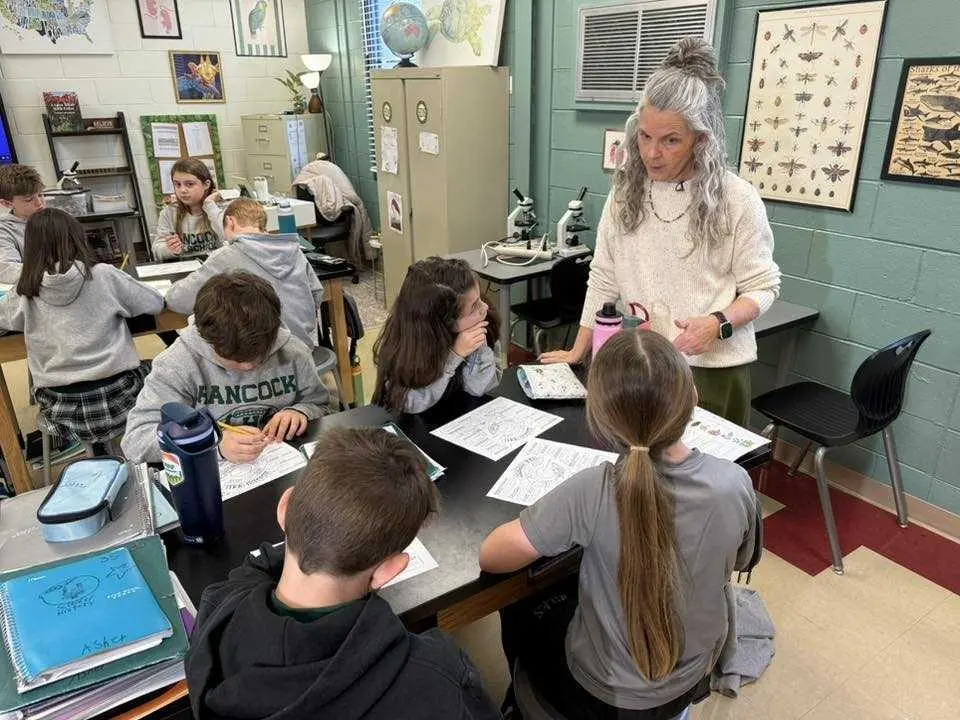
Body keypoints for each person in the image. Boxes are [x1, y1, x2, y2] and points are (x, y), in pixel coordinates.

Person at [481, 330, 759, 719]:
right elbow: (741, 560)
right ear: (692, 398)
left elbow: (493, 556)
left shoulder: (594, 489)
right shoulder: (734, 483)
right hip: (693, 677)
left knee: (519, 603)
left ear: (601, 420)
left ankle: (520, 706)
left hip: (602, 697)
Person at [541, 37, 781, 426]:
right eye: (645, 136)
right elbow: (603, 276)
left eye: (671, 140)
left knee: (700, 482)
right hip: (639, 361)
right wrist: (578, 349)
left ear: (701, 141)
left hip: (709, 369)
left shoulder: (737, 199)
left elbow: (763, 287)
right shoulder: (626, 191)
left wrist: (718, 323)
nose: (652, 153)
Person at [185, 426, 502, 720]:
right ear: (389, 570)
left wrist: (314, 532)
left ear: (284, 509)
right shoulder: (437, 676)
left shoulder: (218, 608)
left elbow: (258, 566)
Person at [121, 271, 329, 464]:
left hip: (280, 465)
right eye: (234, 361)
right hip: (211, 477)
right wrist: (211, 444)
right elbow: (136, 439)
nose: (249, 366)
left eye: (261, 357)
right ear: (208, 341)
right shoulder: (178, 363)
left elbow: (320, 404)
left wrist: (300, 412)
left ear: (274, 332)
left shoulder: (293, 352)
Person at [0, 209, 163, 445]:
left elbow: (5, 319)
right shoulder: (103, 276)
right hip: (120, 398)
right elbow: (155, 302)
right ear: (77, 237)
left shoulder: (25, 290)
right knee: (159, 367)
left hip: (61, 410)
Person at [164, 198, 323, 348]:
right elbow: (316, 293)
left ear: (229, 222)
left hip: (258, 355)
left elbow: (179, 300)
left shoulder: (228, 255)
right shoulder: (294, 250)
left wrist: (169, 291)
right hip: (302, 347)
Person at [372, 257, 500, 415]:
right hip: (421, 421)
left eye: (479, 298)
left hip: (466, 416)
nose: (485, 307)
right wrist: (454, 356)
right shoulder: (408, 342)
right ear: (443, 321)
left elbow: (481, 388)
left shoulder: (483, 319)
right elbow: (409, 403)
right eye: (474, 306)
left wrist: (479, 347)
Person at [151, 158, 224, 260]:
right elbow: (156, 249)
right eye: (177, 184)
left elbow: (230, 239)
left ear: (206, 184)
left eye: (189, 184)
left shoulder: (219, 209)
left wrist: (209, 205)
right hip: (184, 268)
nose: (182, 190)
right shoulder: (169, 212)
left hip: (216, 268)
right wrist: (168, 249)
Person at [0, 164, 45, 283]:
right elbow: (7, 271)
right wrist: (51, 274)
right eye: (29, 199)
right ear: (7, 203)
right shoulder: (4, 231)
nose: (39, 203)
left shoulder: (53, 220)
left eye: (40, 195)